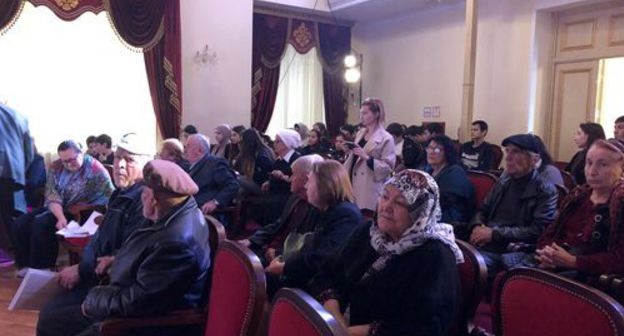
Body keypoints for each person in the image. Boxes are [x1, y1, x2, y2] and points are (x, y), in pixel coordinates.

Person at [37, 160, 211, 336]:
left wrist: (94, 301)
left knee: (51, 324)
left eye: (144, 192)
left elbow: (139, 302)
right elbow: (151, 260)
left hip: (144, 325)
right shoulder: (178, 213)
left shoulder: (176, 243)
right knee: (51, 317)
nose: (141, 197)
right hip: (134, 302)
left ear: (154, 199)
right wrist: (115, 260)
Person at [310, 169, 462, 335]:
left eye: (400, 202)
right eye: (385, 196)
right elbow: (328, 272)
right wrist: (332, 309)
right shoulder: (369, 231)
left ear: (420, 212)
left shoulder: (436, 256)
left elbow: (425, 326)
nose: (386, 207)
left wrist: (356, 332)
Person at [37, 133, 151, 335]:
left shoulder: (146, 200)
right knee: (49, 308)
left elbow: (127, 256)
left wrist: (82, 270)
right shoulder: (120, 193)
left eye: (130, 160)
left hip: (112, 285)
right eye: (117, 157)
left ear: (148, 164)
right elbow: (101, 240)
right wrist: (80, 267)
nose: (120, 165)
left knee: (50, 320)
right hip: (96, 274)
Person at [12, 140, 114, 274]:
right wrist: (60, 217)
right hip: (60, 207)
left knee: (41, 223)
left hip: (84, 213)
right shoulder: (56, 166)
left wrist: (88, 207)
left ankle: (42, 268)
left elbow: (110, 195)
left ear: (81, 153)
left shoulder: (95, 169)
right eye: (64, 161)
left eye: (72, 159)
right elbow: (52, 195)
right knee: (20, 223)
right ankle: (25, 265)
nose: (68, 164)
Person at [264, 160, 362, 297]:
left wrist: (284, 268)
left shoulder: (345, 214)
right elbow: (308, 247)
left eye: (309, 181)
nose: (306, 185)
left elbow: (323, 258)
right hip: (310, 275)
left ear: (324, 184)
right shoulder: (329, 209)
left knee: (258, 280)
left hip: (323, 287)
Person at [467, 134, 558, 277]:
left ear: (534, 160)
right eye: (507, 151)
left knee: (466, 266)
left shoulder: (545, 190)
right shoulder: (503, 183)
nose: (508, 157)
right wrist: (477, 226)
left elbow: (537, 230)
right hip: (486, 242)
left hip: (511, 249)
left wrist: (494, 234)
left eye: (516, 152)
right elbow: (482, 209)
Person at [534, 139, 624, 280]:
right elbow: (549, 233)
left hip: (594, 279)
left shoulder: (621, 201)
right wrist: (548, 254)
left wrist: (573, 262)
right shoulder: (578, 195)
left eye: (603, 164)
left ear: (622, 169)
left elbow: (619, 259)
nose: (592, 171)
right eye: (589, 163)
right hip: (556, 265)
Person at [239, 155, 324, 265]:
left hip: (289, 261)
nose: (290, 178)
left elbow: (306, 246)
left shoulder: (318, 208)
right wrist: (251, 240)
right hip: (274, 250)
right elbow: (278, 224)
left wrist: (278, 253)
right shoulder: (295, 197)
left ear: (307, 178)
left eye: (293, 174)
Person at [343, 97, 396, 212]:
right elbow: (356, 157)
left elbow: (388, 167)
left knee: (365, 216)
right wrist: (349, 150)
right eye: (361, 113)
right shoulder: (361, 133)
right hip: (353, 180)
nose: (361, 116)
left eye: (365, 113)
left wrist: (366, 157)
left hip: (369, 185)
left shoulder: (386, 138)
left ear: (376, 114)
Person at [0, 102, 34, 264]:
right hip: (15, 174)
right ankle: (26, 263)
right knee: (19, 219)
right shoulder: (18, 114)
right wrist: (21, 171)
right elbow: (30, 151)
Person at [185, 134, 239, 215]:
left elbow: (232, 185)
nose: (185, 150)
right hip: (188, 209)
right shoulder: (188, 165)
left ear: (200, 150)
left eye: (188, 146)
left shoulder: (215, 163)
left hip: (204, 213)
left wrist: (215, 202)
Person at [426, 135, 475, 224]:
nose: (431, 152)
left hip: (451, 222)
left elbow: (442, 202)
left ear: (447, 152)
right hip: (430, 216)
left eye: (437, 149)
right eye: (429, 148)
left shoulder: (455, 172)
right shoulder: (429, 171)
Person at [262, 129, 302, 194]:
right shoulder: (279, 159)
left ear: (286, 144)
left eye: (277, 141)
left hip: (286, 197)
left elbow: (298, 184)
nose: (274, 144)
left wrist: (282, 177)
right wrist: (269, 182)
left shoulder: (297, 160)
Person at [236, 128, 275, 194]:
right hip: (258, 182)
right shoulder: (264, 150)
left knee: (235, 180)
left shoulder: (261, 156)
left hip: (262, 186)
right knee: (240, 188)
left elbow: (263, 175)